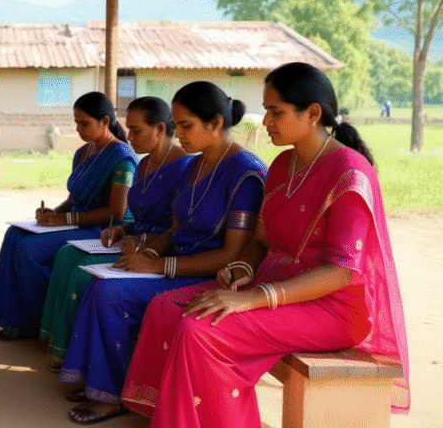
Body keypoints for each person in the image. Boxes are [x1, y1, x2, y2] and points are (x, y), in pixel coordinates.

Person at [122, 63, 410, 427]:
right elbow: (260, 240)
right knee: (166, 307)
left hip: (330, 308)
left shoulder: (349, 172)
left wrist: (253, 298)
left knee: (201, 330)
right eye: (267, 111)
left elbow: (340, 273)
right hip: (273, 285)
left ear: (312, 114)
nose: (267, 121)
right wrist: (241, 269)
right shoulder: (282, 164)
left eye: (276, 112)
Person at [61, 82, 267, 424]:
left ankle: (113, 394)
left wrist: (160, 267)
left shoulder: (245, 173)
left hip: (208, 273)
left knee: (108, 295)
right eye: (177, 124)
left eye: (185, 125)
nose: (177, 133)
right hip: (175, 264)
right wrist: (145, 251)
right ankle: (108, 386)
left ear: (216, 123)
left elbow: (232, 254)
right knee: (101, 282)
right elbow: (174, 229)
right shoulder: (193, 166)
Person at [39, 96, 190, 369]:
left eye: (136, 130)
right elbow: (137, 217)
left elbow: (177, 226)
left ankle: (78, 357)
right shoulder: (144, 164)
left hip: (157, 249)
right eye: (128, 129)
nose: (129, 137)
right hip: (132, 241)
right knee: (66, 255)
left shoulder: (185, 167)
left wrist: (144, 242)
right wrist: (122, 231)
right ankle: (62, 344)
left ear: (159, 129)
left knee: (83, 270)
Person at [0, 92, 136, 342]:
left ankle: (41, 322)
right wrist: (53, 214)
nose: (78, 129)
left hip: (103, 229)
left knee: (30, 249)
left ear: (105, 121)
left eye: (84, 123)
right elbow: (73, 199)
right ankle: (17, 320)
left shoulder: (122, 158)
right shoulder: (84, 152)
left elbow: (116, 212)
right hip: (77, 222)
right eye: (76, 123)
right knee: (14, 234)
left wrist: (65, 220)